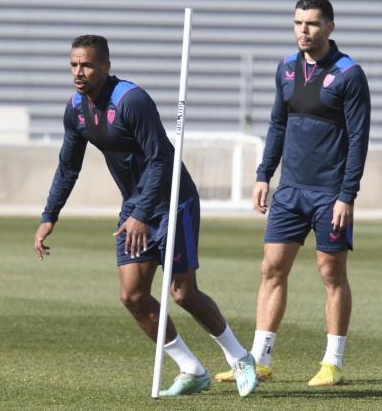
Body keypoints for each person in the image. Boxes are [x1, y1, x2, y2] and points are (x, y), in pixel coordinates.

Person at [33, 35, 258, 397]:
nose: (79, 72)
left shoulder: (131, 101)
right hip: (135, 207)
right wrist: (49, 216)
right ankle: (191, 369)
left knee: (183, 293)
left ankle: (240, 357)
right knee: (133, 296)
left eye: (87, 65)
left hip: (173, 201)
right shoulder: (76, 109)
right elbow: (67, 167)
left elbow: (160, 159)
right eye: (74, 64)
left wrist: (140, 212)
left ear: (105, 66)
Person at [215, 0, 370, 387]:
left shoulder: (350, 75)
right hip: (290, 191)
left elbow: (358, 139)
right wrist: (264, 174)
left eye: (313, 23)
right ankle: (259, 361)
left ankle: (332, 363)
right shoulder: (285, 68)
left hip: (329, 194)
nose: (304, 30)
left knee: (330, 273)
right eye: (298, 22)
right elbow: (277, 124)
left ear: (330, 27)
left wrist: (346, 195)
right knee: (271, 269)